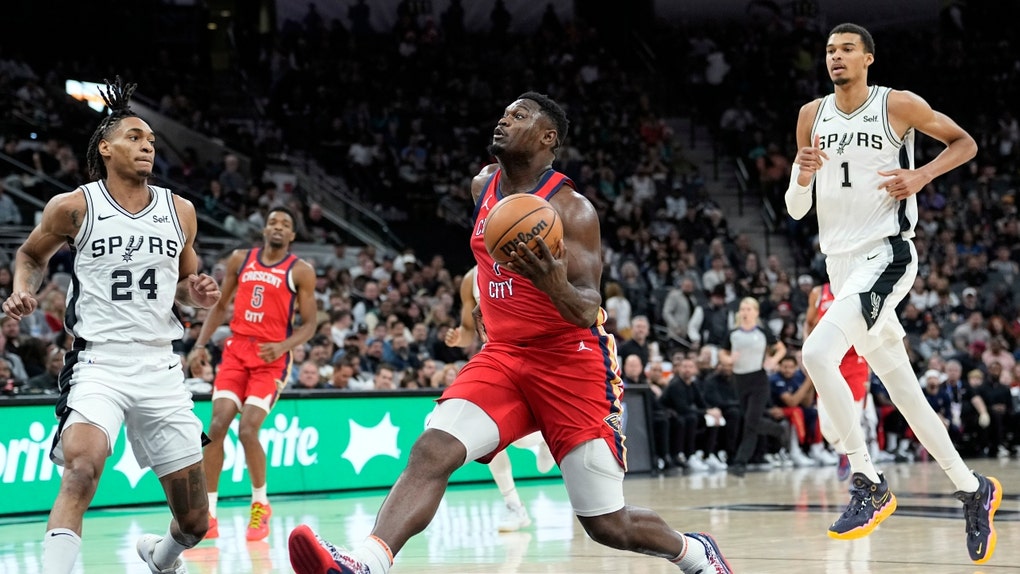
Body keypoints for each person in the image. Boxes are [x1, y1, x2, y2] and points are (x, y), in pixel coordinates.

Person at [287, 92, 732, 574]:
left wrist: (552, 282)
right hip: (504, 355)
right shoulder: (483, 186)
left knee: (607, 524)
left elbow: (586, 308)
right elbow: (485, 259)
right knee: (432, 448)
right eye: (503, 114)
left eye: (518, 116)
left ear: (548, 138)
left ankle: (693, 552)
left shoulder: (573, 210)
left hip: (571, 361)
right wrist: (482, 298)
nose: (503, 120)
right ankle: (366, 564)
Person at [786, 23, 1000, 563]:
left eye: (846, 50)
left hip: (886, 253)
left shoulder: (897, 104)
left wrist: (921, 175)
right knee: (905, 391)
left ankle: (867, 479)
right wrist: (800, 174)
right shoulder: (811, 116)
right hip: (839, 263)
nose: (836, 57)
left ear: (868, 58)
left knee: (816, 352)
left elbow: (965, 143)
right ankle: (973, 488)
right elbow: (794, 209)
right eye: (830, 50)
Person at [0, 77, 222, 574]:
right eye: (135, 137)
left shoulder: (179, 211)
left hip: (162, 368)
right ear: (105, 147)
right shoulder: (74, 206)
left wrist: (197, 293)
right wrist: (22, 286)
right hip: (98, 362)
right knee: (81, 468)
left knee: (194, 523)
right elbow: (31, 254)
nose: (147, 146)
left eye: (151, 140)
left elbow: (185, 283)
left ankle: (162, 560)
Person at [191, 206, 317, 542]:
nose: (278, 227)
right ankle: (209, 513)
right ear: (264, 229)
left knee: (248, 429)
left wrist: (283, 346)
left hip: (270, 358)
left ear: (292, 235)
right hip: (235, 352)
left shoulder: (301, 271)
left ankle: (260, 504)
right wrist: (200, 345)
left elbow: (311, 324)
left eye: (285, 224)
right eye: (273, 221)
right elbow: (220, 306)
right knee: (216, 427)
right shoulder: (240, 259)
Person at [444, 265, 555, 531]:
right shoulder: (470, 278)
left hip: (534, 354)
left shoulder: (524, 266)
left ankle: (541, 440)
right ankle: (514, 506)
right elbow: (469, 331)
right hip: (494, 358)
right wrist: (459, 339)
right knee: (489, 438)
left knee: (512, 437)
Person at [806, 281, 874, 480]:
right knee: (826, 423)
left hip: (855, 360)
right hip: (828, 361)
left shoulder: (861, 286)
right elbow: (809, 323)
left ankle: (862, 472)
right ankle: (841, 452)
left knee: (853, 417)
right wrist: (808, 349)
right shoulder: (819, 293)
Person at [719, 297, 787, 477]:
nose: (745, 312)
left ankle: (740, 463)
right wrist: (728, 360)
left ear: (756, 312)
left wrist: (773, 360)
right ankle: (778, 429)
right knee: (749, 421)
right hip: (739, 380)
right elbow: (722, 353)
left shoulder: (763, 332)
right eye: (742, 309)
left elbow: (781, 349)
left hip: (758, 379)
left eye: (749, 309)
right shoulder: (733, 333)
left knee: (750, 422)